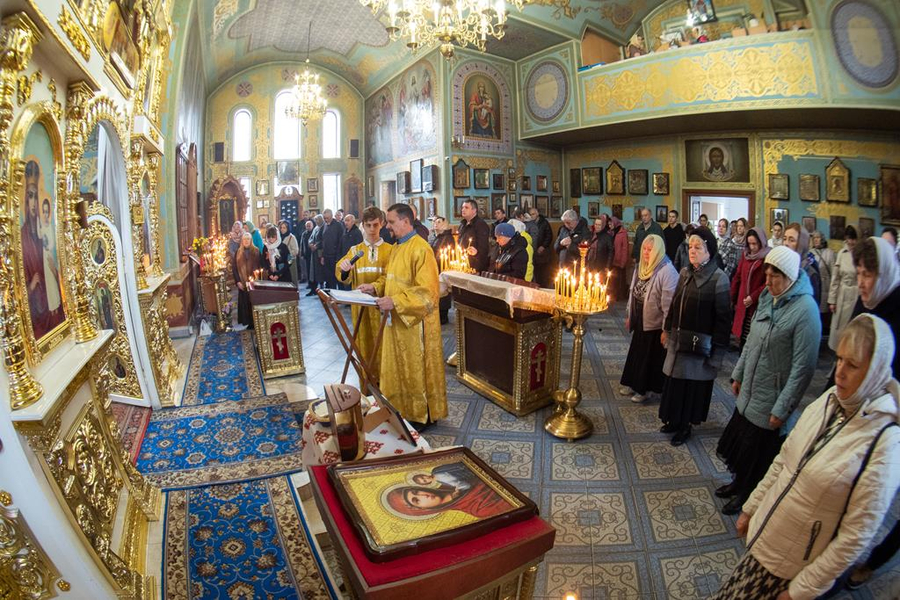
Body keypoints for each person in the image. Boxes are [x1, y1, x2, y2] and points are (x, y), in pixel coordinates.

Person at [713, 314, 900, 600]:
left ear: (875, 371)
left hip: (795, 570)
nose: (839, 372)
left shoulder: (885, 441)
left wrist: (800, 591)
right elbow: (784, 461)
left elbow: (854, 538)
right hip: (771, 540)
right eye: (839, 359)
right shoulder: (829, 401)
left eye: (853, 365)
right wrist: (753, 507)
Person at [716, 246, 820, 516]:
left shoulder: (806, 310)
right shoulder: (767, 296)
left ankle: (748, 496)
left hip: (773, 397)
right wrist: (738, 373)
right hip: (751, 388)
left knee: (758, 455)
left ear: (790, 277)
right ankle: (738, 483)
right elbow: (751, 340)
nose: (770, 281)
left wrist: (783, 407)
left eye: (776, 276)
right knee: (742, 446)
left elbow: (803, 368)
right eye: (768, 273)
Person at [842, 237, 900, 589]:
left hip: (890, 416)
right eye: (859, 272)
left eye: (869, 273)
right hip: (861, 410)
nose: (862, 281)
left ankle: (875, 560)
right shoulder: (866, 303)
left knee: (875, 492)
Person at [358, 203, 447, 426]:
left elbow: (428, 293)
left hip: (415, 325)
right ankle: (402, 411)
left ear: (406, 221)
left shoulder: (421, 249)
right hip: (396, 320)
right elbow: (390, 278)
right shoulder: (398, 247)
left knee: (414, 370)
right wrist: (375, 288)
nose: (387, 227)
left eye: (391, 222)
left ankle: (420, 416)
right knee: (398, 368)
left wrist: (395, 301)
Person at [659, 228, 731, 446]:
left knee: (691, 387)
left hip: (700, 348)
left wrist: (716, 355)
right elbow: (674, 304)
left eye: (698, 247)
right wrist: (667, 329)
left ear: (709, 251)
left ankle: (685, 426)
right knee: (674, 383)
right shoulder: (684, 273)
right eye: (690, 246)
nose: (692, 251)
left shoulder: (719, 279)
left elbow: (723, 321)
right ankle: (673, 420)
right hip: (678, 340)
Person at [620, 234, 678, 403]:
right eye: (644, 248)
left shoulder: (667, 270)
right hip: (640, 319)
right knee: (636, 353)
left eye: (650, 249)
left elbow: (669, 304)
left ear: (658, 250)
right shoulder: (641, 266)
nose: (646, 252)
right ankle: (632, 383)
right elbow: (633, 292)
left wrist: (666, 329)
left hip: (655, 324)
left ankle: (644, 389)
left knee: (649, 358)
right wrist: (629, 315)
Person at [337, 206, 393, 374]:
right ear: (363, 225)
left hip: (381, 307)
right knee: (363, 347)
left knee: (383, 346)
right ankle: (366, 388)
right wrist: (345, 268)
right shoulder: (355, 251)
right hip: (360, 309)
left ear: (382, 224)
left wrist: (374, 286)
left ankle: (384, 389)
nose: (372, 229)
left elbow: (391, 277)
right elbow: (340, 272)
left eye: (375, 225)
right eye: (368, 225)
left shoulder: (390, 251)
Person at [729, 227, 769, 349]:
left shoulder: (766, 257)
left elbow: (767, 283)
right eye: (750, 243)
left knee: (753, 340)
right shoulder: (745, 255)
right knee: (742, 339)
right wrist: (732, 297)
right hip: (743, 303)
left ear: (761, 242)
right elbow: (738, 277)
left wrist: (754, 297)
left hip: (757, 304)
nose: (752, 247)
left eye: (755, 244)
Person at [828, 225, 859, 350]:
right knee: (838, 328)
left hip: (856, 295)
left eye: (853, 239)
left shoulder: (861, 254)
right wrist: (832, 300)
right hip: (842, 294)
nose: (851, 242)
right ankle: (837, 357)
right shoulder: (842, 253)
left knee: (853, 328)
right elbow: (835, 278)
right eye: (848, 239)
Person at [783, 223, 821, 306]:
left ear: (801, 244)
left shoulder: (811, 273)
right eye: (784, 239)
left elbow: (811, 308)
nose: (786, 243)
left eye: (791, 240)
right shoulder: (782, 266)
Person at [430, 216, 455, 324]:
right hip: (435, 267)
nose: (436, 223)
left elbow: (447, 255)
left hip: (442, 268)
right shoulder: (437, 236)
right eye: (435, 222)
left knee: (443, 292)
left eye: (439, 222)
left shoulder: (447, 237)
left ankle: (443, 315)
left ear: (444, 224)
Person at [233, 232, 260, 328]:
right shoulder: (238, 252)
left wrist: (258, 279)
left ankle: (255, 322)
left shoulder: (256, 251)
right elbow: (234, 268)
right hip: (242, 282)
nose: (246, 241)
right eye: (244, 239)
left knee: (253, 301)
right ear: (242, 241)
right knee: (245, 302)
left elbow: (260, 266)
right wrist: (238, 281)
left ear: (251, 240)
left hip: (254, 282)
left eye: (248, 239)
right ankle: (248, 323)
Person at [810, 230, 835, 335]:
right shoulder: (810, 252)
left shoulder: (829, 253)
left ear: (822, 239)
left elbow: (834, 272)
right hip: (815, 286)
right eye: (814, 238)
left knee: (824, 313)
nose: (816, 240)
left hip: (826, 286)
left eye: (818, 237)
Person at [457, 199, 490, 273]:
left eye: (466, 207)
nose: (463, 210)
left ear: (474, 210)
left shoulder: (480, 225)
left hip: (475, 265)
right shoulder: (462, 224)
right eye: (462, 207)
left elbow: (483, 248)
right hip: (463, 262)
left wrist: (476, 255)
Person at [528, 206, 554, 287]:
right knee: (535, 270)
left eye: (533, 214)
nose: (532, 216)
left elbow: (549, 236)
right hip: (533, 250)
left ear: (537, 214)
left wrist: (543, 246)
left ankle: (543, 286)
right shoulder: (529, 224)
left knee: (543, 271)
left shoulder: (544, 223)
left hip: (542, 250)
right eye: (530, 214)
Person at [320, 209, 343, 290]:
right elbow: (323, 241)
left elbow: (341, 242)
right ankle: (329, 294)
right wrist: (322, 256)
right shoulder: (324, 225)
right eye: (324, 218)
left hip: (335, 256)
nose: (326, 220)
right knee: (328, 277)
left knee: (335, 277)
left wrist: (338, 257)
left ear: (331, 216)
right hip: (326, 255)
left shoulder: (338, 225)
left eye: (327, 218)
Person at [609, 216, 629, 302]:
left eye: (611, 224)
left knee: (619, 280)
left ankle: (619, 296)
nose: (610, 226)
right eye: (609, 224)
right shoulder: (610, 232)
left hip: (619, 260)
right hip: (612, 260)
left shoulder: (622, 233)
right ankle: (613, 295)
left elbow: (625, 248)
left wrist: (623, 262)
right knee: (613, 279)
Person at [307, 214, 326, 296]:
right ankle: (313, 289)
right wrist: (310, 244)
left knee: (320, 272)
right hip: (314, 253)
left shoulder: (324, 227)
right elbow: (311, 238)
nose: (316, 221)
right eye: (315, 220)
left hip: (320, 253)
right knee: (313, 271)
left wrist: (316, 246)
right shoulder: (316, 228)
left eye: (318, 220)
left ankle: (322, 289)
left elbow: (323, 239)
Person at [279, 220, 300, 285]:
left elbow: (296, 250)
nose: (282, 229)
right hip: (281, 261)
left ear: (288, 228)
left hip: (290, 261)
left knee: (291, 277)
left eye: (284, 228)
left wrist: (287, 254)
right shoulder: (279, 237)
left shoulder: (291, 237)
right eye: (281, 227)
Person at [299, 220, 314, 284]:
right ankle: (309, 283)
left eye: (309, 226)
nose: (308, 227)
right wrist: (301, 253)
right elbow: (301, 244)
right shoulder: (304, 234)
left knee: (313, 270)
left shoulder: (314, 233)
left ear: (312, 226)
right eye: (307, 226)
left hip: (313, 254)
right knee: (307, 269)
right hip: (306, 254)